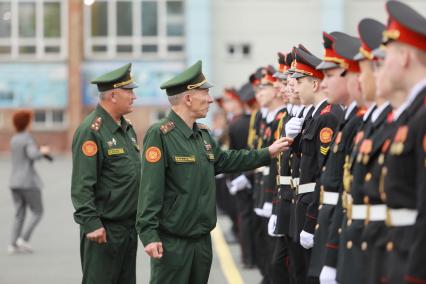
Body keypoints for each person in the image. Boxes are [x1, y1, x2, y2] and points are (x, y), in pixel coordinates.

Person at [136, 60, 292, 284]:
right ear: (188, 98)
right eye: (205, 93)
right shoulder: (160, 135)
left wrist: (268, 152)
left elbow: (227, 160)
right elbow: (150, 189)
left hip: (201, 242)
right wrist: (149, 235)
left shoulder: (202, 135)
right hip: (174, 244)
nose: (210, 99)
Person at [70, 63, 141, 284]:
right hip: (104, 229)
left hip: (128, 228)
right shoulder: (92, 131)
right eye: (128, 91)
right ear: (112, 95)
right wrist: (91, 223)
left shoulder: (126, 129)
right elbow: (82, 184)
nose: (134, 96)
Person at [379, 1, 426, 283]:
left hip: (412, 263)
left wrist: (414, 276)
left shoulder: (421, 115)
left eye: (386, 57)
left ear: (405, 57)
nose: (383, 66)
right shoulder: (412, 113)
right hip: (397, 253)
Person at [8, 109, 51, 254]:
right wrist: (43, 152)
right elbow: (32, 155)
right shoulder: (27, 138)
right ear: (27, 123)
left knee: (19, 213)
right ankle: (23, 239)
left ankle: (13, 244)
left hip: (14, 181)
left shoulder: (14, 138)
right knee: (38, 211)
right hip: (28, 182)